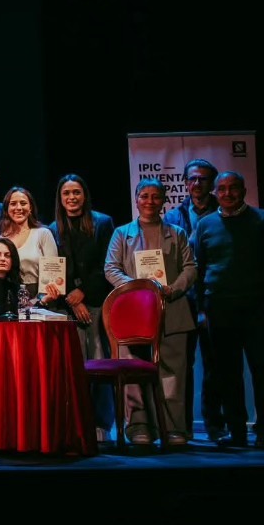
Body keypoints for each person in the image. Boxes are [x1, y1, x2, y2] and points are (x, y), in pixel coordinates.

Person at [192, 171, 264, 449]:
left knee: (262, 371)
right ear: (215, 193)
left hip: (257, 308)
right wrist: (201, 310)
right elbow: (199, 269)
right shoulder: (205, 224)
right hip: (218, 308)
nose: (227, 193)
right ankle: (236, 431)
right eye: (222, 189)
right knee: (227, 374)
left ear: (244, 191)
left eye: (233, 188)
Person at [105, 178, 196, 446]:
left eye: (155, 196)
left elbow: (190, 267)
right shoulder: (122, 233)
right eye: (144, 196)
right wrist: (137, 289)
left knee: (172, 373)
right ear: (136, 200)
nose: (150, 201)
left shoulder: (178, 233)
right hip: (132, 313)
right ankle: (138, 426)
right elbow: (111, 268)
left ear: (164, 201)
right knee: (132, 371)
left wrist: (173, 289)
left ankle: (173, 427)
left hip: (172, 311)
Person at [49, 174, 117, 437]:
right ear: (60, 198)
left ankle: (101, 424)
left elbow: (107, 263)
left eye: (76, 192)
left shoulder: (103, 223)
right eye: (66, 193)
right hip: (67, 306)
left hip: (97, 301)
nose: (71, 198)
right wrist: (72, 297)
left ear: (85, 195)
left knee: (99, 362)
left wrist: (84, 292)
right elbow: (53, 268)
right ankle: (76, 422)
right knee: (73, 366)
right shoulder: (52, 228)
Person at [165, 157, 225, 441]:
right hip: (182, 300)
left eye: (202, 178)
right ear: (185, 183)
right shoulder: (173, 218)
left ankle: (215, 424)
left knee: (215, 366)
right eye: (192, 178)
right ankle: (182, 425)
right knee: (182, 365)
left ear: (212, 183)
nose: (196, 183)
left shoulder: (222, 213)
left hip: (213, 299)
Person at [0, 186, 60, 294]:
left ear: (30, 208)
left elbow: (52, 274)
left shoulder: (43, 234)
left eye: (23, 203)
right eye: (13, 204)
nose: (18, 207)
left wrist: (41, 300)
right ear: (6, 209)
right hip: (4, 295)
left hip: (39, 296)